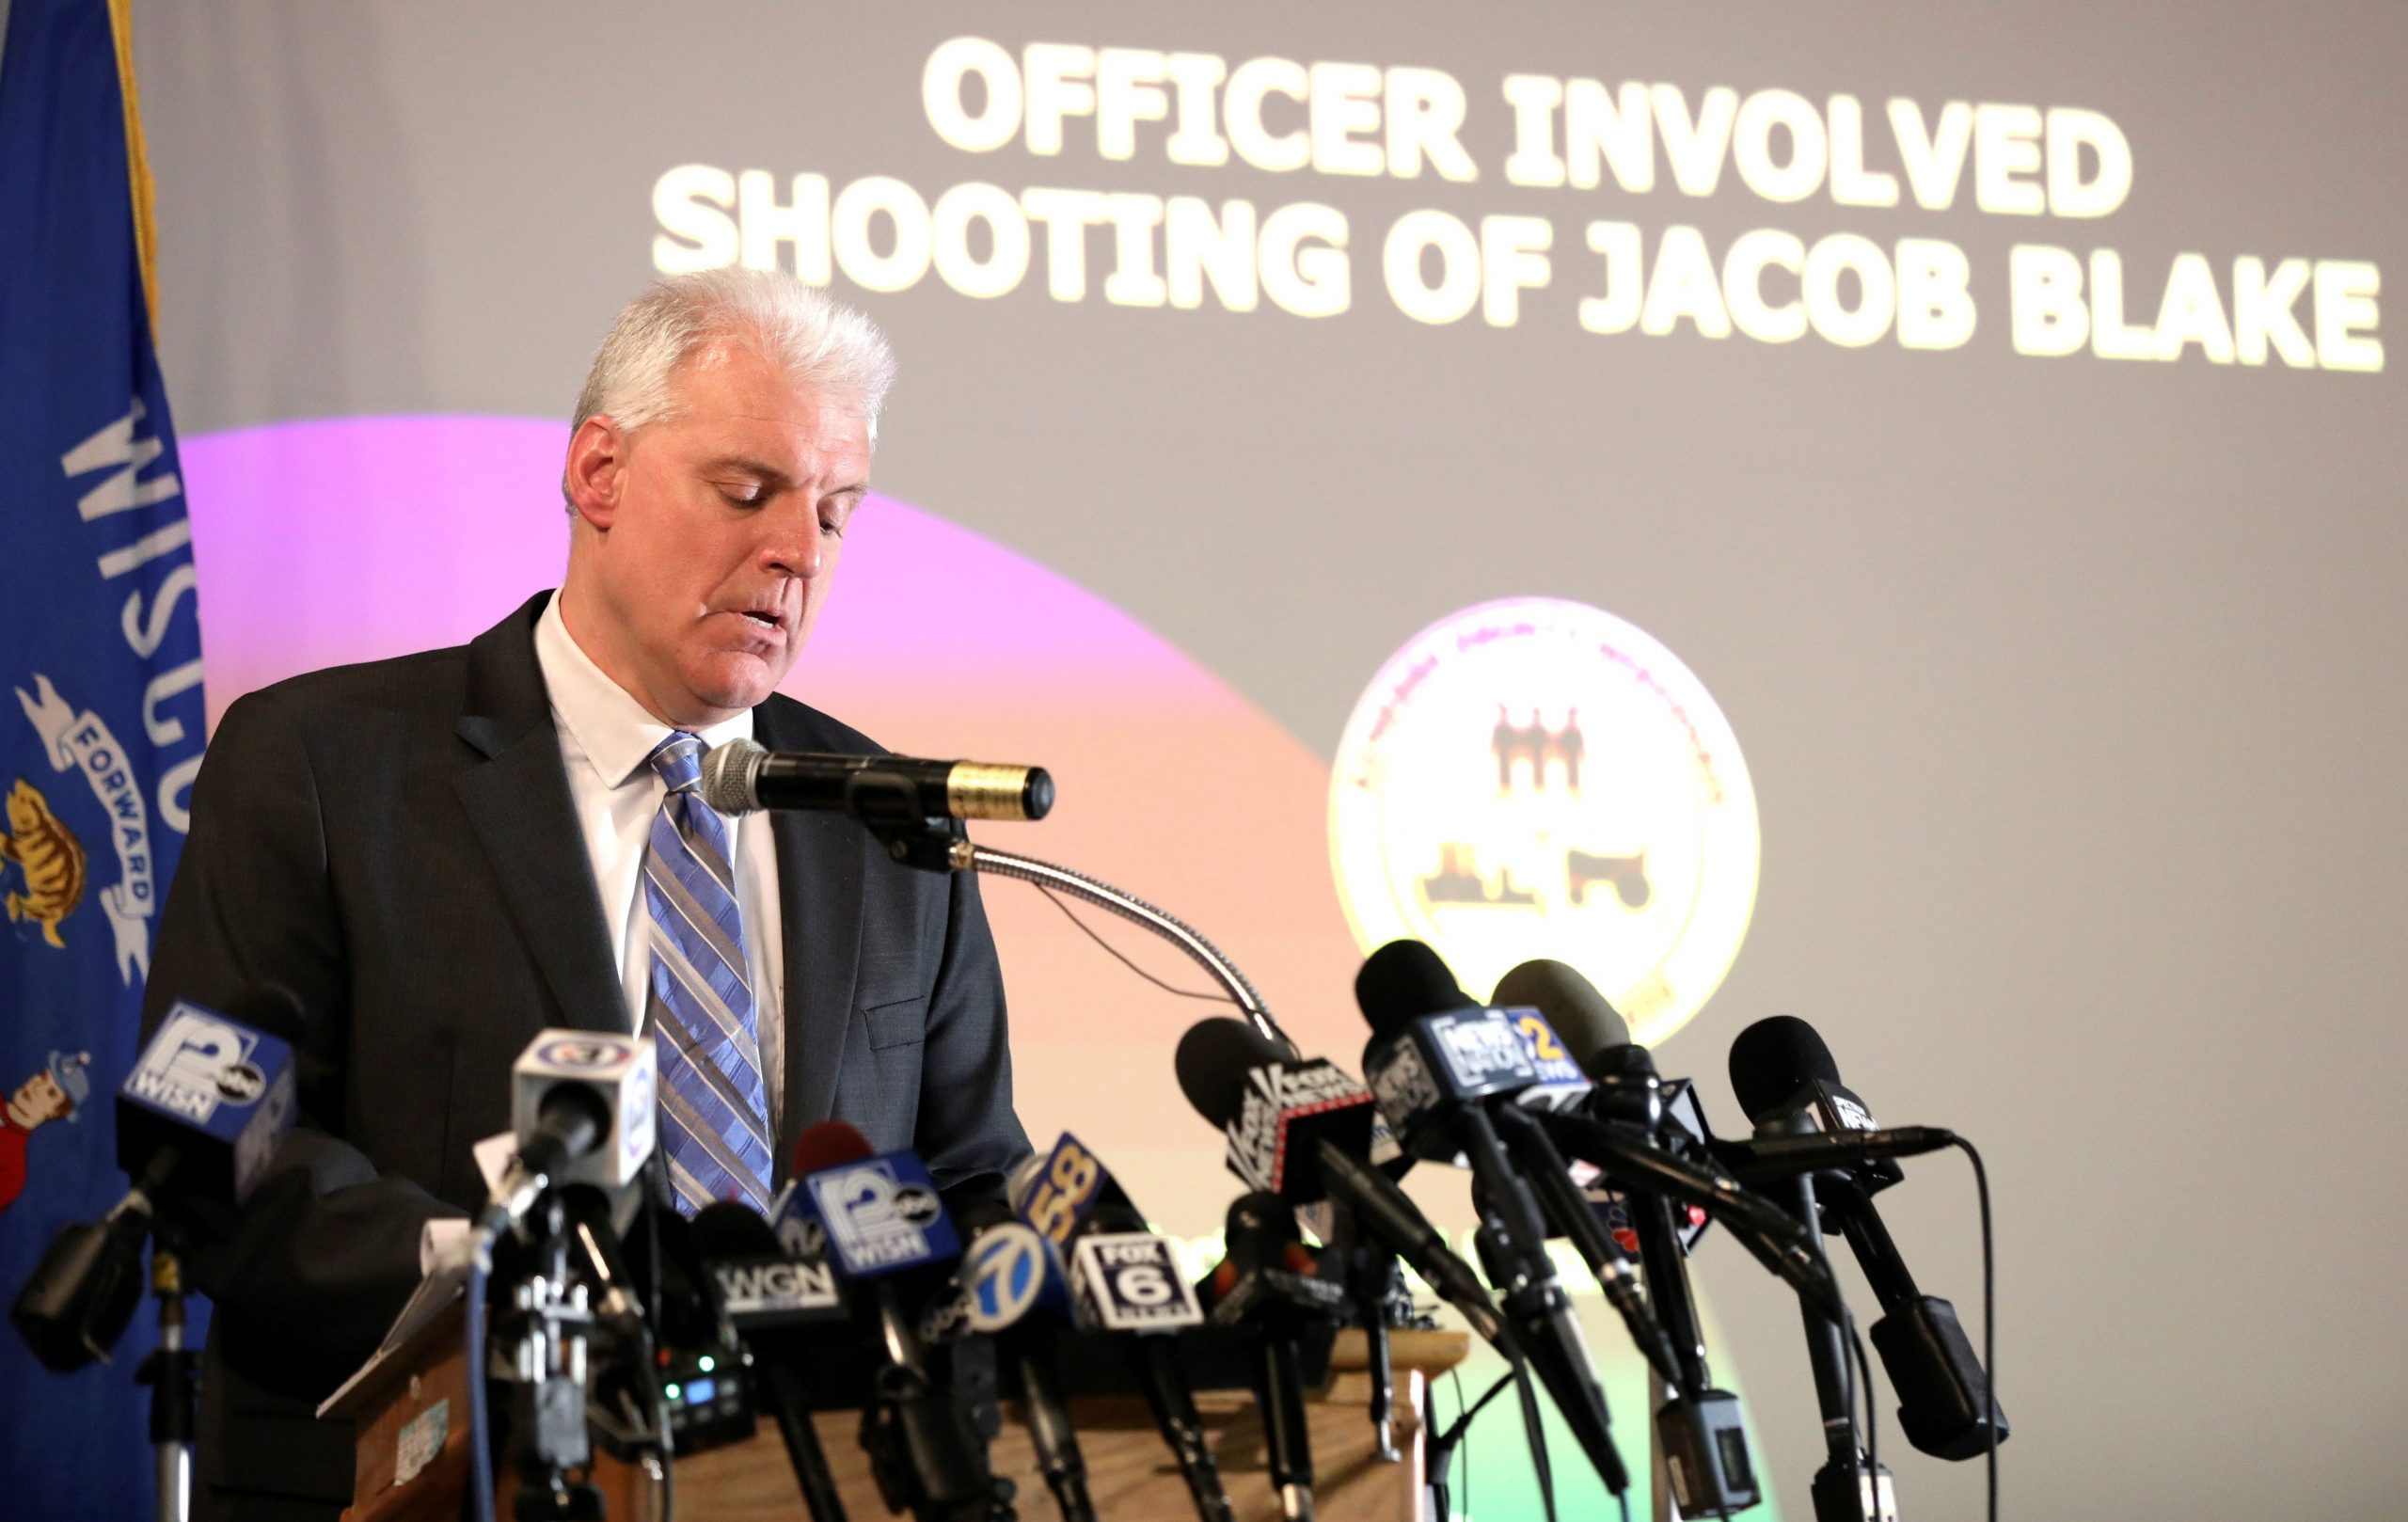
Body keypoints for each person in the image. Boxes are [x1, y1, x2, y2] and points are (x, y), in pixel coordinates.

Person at [141, 269, 1030, 1520]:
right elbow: (230, 1147)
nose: (798, 550)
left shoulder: (877, 818)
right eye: (750, 490)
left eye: (837, 512)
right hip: (436, 1477)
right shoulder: (324, 764)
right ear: (599, 474)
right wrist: (515, 1278)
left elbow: (971, 1167)